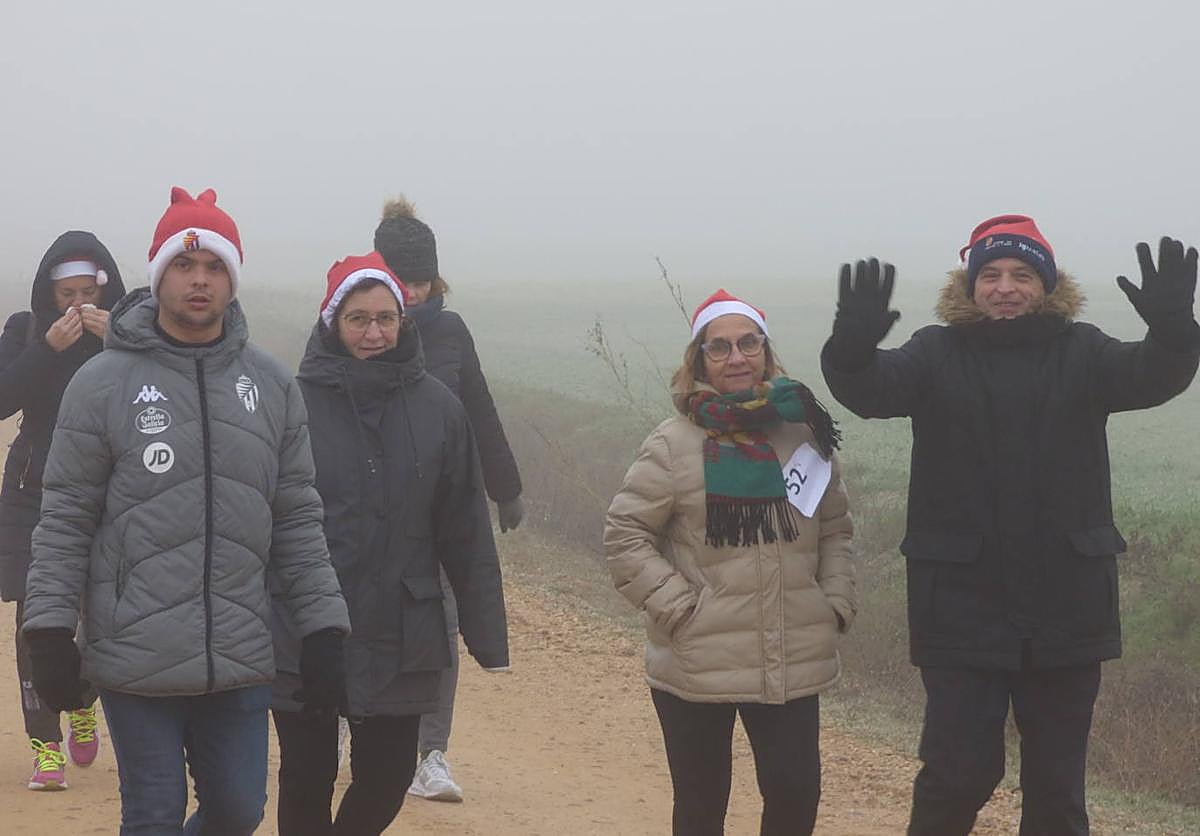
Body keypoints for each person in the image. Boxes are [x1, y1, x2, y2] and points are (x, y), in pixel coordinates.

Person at [820, 216, 1199, 836]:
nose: (1005, 287)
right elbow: (872, 391)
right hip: (960, 603)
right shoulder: (935, 352)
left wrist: (1174, 333)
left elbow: (1151, 375)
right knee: (957, 774)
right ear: (969, 286)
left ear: (1047, 287)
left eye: (1023, 275)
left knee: (1057, 792)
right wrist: (853, 348)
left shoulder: (1085, 350)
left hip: (1067, 603)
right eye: (990, 274)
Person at [21, 187, 350, 835]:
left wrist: (322, 629)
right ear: (157, 274)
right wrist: (50, 628)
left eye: (215, 268)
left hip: (239, 652)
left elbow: (297, 519)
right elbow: (65, 519)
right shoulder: (102, 384)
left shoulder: (271, 385)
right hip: (134, 651)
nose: (199, 281)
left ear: (232, 281)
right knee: (152, 815)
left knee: (237, 811)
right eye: (183, 265)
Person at [269, 251, 509, 835]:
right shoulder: (290, 404)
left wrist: (485, 629)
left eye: (386, 317)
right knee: (307, 772)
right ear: (332, 322)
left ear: (403, 321)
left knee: (387, 774)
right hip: (307, 624)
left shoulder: (439, 409)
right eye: (358, 318)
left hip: (406, 624)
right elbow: (263, 518)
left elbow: (464, 525)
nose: (374, 332)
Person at [605, 289, 856, 836]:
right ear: (698, 361)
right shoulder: (672, 445)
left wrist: (833, 602)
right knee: (700, 808)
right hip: (697, 659)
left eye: (748, 343)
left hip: (792, 656)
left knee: (795, 797)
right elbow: (626, 535)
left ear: (766, 352)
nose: (736, 357)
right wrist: (679, 608)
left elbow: (835, 529)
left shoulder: (803, 434)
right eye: (719, 348)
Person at [374, 196, 523, 802]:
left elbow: (478, 411)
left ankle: (431, 754)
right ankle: (339, 723)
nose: (408, 294)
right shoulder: (352, 325)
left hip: (436, 510)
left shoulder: (452, 332)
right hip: (363, 509)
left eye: (418, 281)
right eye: (399, 280)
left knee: (439, 625)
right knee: (351, 623)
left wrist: (505, 487)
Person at [0, 231, 127, 790]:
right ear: (48, 294)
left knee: (98, 613)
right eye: (66, 294)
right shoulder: (24, 331)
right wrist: (45, 347)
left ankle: (80, 701)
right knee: (35, 621)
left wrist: (119, 339)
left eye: (88, 293)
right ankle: (44, 744)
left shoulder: (132, 332)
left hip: (109, 491)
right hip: (35, 492)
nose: (78, 306)